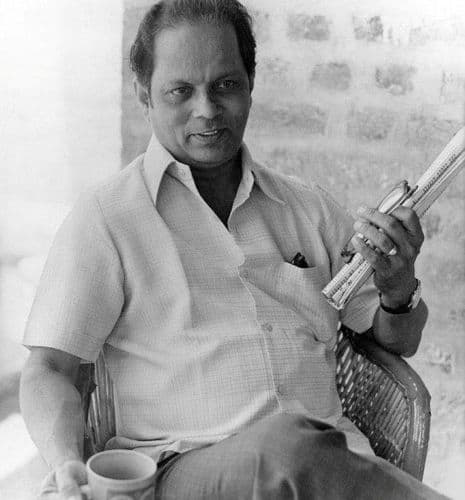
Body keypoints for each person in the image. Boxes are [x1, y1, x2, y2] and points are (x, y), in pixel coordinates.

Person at [20, 1, 447, 499]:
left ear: (250, 83)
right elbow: (49, 369)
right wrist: (66, 464)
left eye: (225, 84)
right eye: (181, 91)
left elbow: (397, 343)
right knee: (287, 447)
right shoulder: (107, 217)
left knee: (297, 450)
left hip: (326, 463)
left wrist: (398, 289)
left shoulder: (308, 208)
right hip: (186, 470)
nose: (206, 109)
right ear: (143, 93)